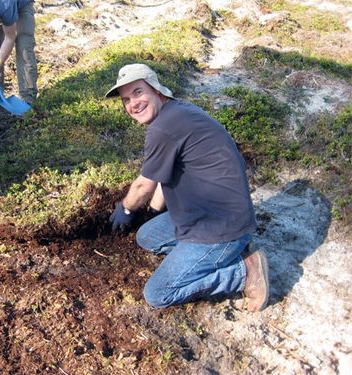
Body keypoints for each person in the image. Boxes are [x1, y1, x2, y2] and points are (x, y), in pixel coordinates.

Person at [106, 63, 269, 312]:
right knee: (147, 236)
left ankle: (243, 273)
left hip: (220, 227)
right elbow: (164, 177)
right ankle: (219, 257)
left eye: (138, 92)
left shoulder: (163, 127)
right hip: (208, 214)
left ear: (157, 91)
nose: (132, 104)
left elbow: (143, 186)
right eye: (126, 99)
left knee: (157, 293)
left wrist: (126, 209)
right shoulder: (176, 112)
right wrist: (153, 210)